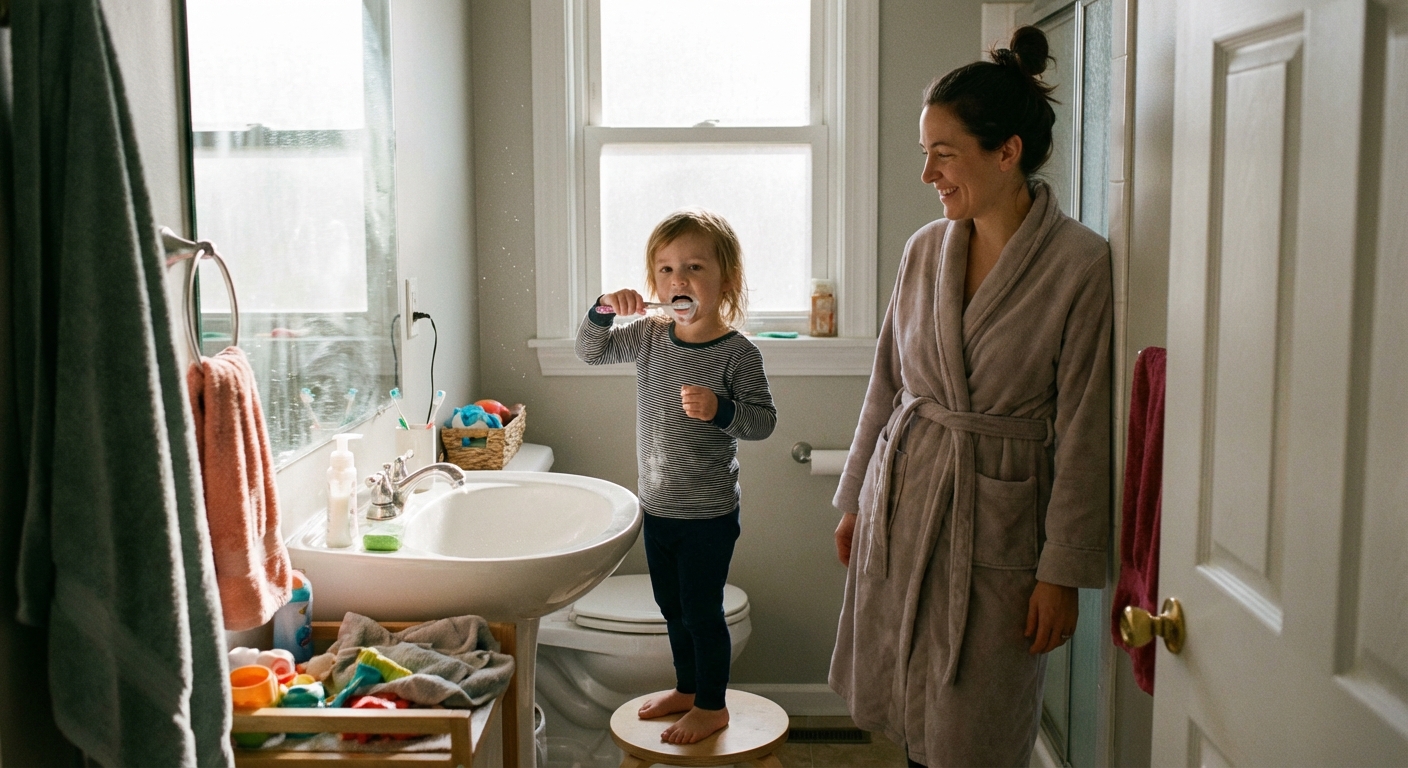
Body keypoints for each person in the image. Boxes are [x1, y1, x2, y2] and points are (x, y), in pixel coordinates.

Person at [829, 26, 1111, 768]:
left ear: (1007, 151)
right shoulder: (925, 249)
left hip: (1002, 521)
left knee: (979, 727)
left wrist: (1062, 570)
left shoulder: (1080, 266)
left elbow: (1086, 428)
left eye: (943, 154)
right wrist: (857, 494)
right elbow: (888, 381)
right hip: (910, 491)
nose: (928, 174)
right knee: (912, 709)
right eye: (926, 153)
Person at [577, 208, 777, 744]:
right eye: (665, 270)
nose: (678, 280)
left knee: (701, 611)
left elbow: (763, 423)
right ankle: (688, 689)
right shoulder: (646, 335)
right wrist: (602, 308)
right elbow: (589, 351)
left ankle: (712, 706)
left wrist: (720, 409)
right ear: (653, 284)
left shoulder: (738, 352)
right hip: (658, 506)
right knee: (671, 608)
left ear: (726, 280)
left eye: (693, 267)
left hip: (708, 513)